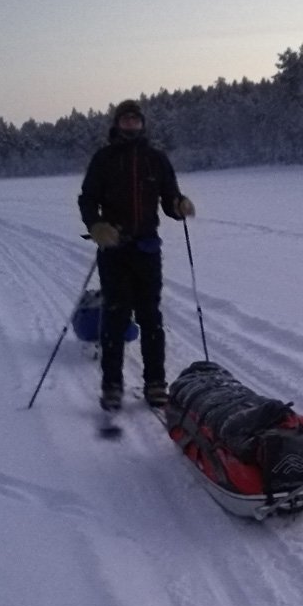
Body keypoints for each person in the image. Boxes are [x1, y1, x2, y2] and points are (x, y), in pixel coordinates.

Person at [78, 99, 195, 410]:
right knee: (115, 317)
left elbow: (170, 197)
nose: (131, 124)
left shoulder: (155, 159)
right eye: (125, 119)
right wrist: (96, 225)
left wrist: (179, 206)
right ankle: (112, 386)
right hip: (114, 250)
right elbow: (87, 199)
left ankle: (155, 383)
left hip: (146, 249)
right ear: (117, 124)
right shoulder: (103, 159)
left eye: (135, 119)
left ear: (142, 124)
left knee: (151, 318)